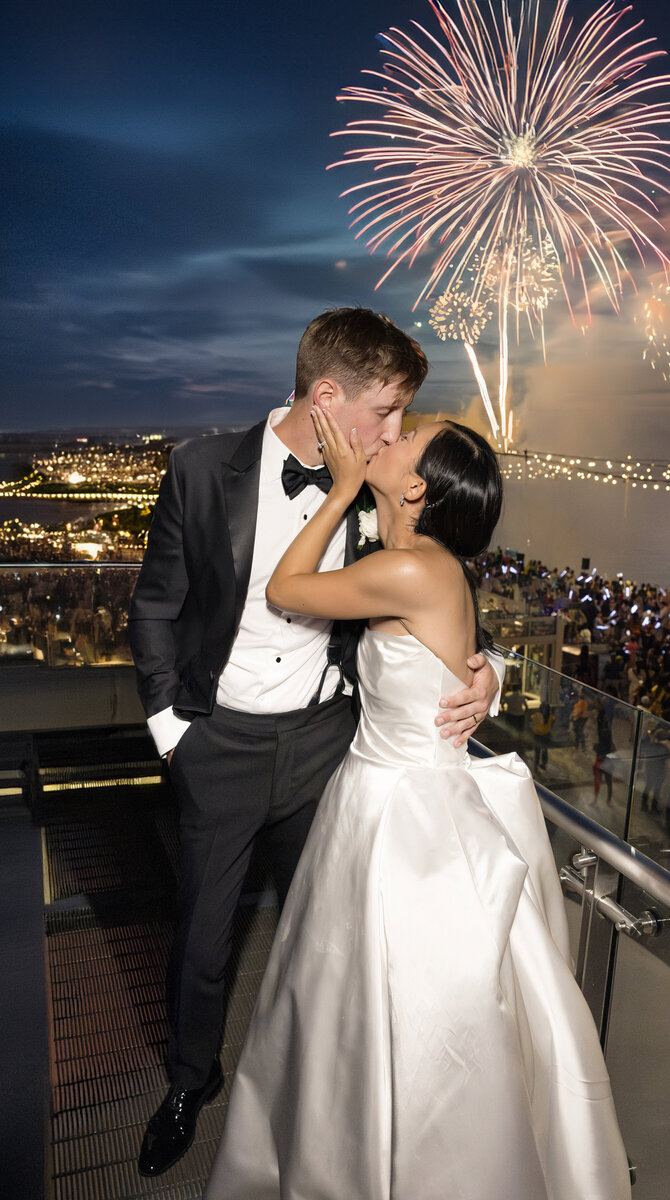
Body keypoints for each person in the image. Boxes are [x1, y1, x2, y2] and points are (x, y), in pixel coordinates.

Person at [204, 407, 631, 1199]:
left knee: (378, 999)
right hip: (387, 793)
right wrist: (490, 667)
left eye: (404, 441)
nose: (387, 440)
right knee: (363, 997)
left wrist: (336, 491)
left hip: (401, 812)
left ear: (418, 488)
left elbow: (285, 590)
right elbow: (447, 650)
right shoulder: (419, 562)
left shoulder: (412, 568)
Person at [128, 308, 502, 1177]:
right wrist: (170, 732)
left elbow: (446, 594)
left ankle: (331, 1087)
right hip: (216, 744)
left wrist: (484, 676)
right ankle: (190, 1084)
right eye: (388, 414)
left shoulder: (381, 493)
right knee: (204, 938)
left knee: (334, 933)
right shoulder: (199, 468)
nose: (395, 434)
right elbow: (154, 605)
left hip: (330, 746)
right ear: (327, 399)